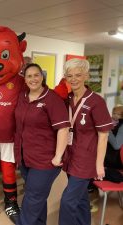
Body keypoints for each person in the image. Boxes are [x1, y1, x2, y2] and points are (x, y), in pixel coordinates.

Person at [59, 58, 113, 225]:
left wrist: (98, 165)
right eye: (69, 75)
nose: (73, 79)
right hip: (71, 156)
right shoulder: (67, 98)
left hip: (86, 159)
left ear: (86, 76)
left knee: (67, 201)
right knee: (81, 199)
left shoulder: (96, 101)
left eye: (78, 75)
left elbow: (103, 135)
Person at [14, 63, 70, 225]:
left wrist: (58, 156)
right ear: (24, 79)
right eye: (29, 76)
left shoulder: (52, 99)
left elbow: (63, 129)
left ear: (42, 76)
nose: (33, 79)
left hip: (45, 160)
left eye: (36, 75)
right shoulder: (22, 97)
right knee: (38, 196)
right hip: (25, 157)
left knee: (32, 197)